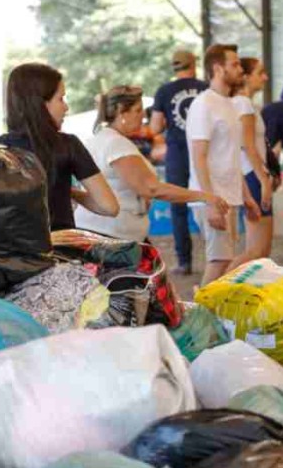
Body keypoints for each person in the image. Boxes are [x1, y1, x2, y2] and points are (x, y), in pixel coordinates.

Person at [75, 85, 228, 242]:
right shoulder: (116, 143)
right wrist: (204, 196)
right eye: (138, 110)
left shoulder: (101, 139)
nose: (143, 115)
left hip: (109, 232)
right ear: (121, 111)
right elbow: (151, 188)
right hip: (110, 235)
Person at [0, 62, 118, 230]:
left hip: (6, 245)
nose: (66, 107)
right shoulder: (68, 146)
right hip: (59, 244)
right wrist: (69, 192)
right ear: (41, 103)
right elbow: (109, 207)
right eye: (61, 99)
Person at [187, 44, 259, 286]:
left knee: (225, 264)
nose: (241, 69)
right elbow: (199, 157)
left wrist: (246, 196)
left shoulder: (229, 104)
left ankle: (208, 306)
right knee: (218, 262)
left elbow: (231, 157)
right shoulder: (204, 104)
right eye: (235, 64)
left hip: (229, 198)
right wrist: (210, 202)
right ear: (218, 69)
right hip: (213, 198)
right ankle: (199, 308)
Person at [151, 49, 208, 274]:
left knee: (178, 209)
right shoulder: (206, 88)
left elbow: (155, 127)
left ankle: (184, 262)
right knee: (211, 201)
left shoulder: (164, 91)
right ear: (193, 64)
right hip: (205, 153)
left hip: (177, 154)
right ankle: (216, 258)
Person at [229, 57, 274, 269]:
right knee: (257, 251)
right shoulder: (243, 104)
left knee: (259, 252)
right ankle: (214, 284)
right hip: (253, 176)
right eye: (260, 72)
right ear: (246, 77)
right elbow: (247, 145)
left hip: (251, 174)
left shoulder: (244, 104)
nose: (265, 77)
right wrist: (264, 180)